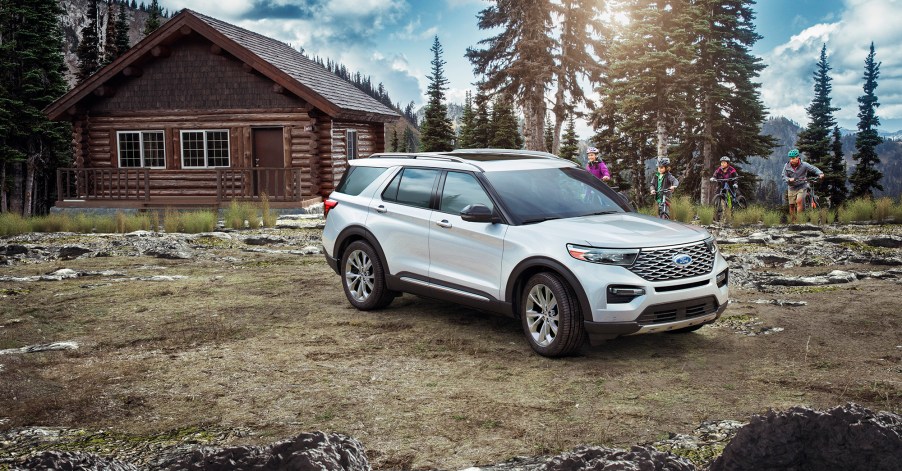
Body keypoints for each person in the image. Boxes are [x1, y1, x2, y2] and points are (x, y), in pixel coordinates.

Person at [782, 149, 824, 222]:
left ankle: (799, 221)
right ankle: (793, 221)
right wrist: (788, 179)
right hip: (791, 188)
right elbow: (783, 176)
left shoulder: (804, 165)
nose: (791, 160)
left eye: (793, 158)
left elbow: (813, 169)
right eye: (790, 158)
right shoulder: (786, 166)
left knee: (799, 201)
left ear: (797, 157)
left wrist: (820, 173)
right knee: (791, 205)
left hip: (802, 186)